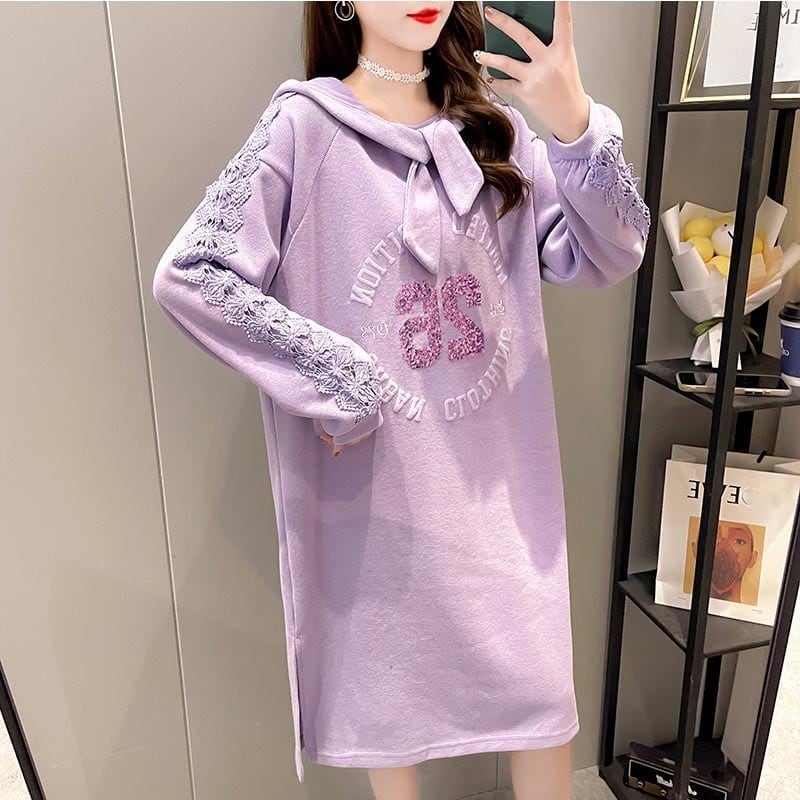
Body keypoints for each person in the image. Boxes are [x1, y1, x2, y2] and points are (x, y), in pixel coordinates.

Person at [152, 2, 650, 798]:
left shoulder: (495, 132)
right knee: (390, 718)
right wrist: (338, 380)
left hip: (508, 509)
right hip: (381, 516)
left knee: (541, 715)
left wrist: (574, 124)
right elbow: (194, 273)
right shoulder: (304, 130)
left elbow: (610, 252)